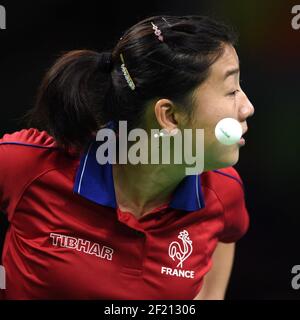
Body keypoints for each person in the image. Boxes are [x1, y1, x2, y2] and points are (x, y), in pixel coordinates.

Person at [0, 15, 254, 300]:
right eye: (231, 91)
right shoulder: (29, 166)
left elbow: (222, 242)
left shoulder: (221, 192)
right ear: (169, 116)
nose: (247, 108)